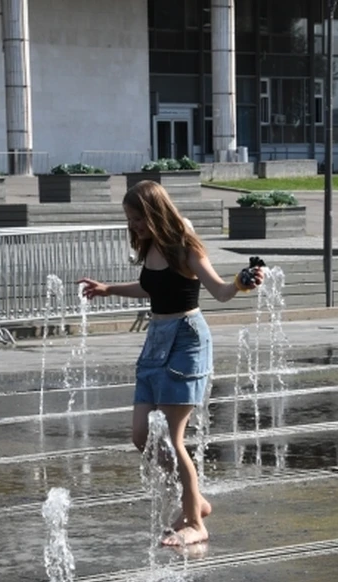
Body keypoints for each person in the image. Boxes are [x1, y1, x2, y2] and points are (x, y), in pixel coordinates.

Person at [78, 180, 264, 546]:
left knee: (173, 440)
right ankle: (196, 501)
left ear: (155, 212)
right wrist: (109, 289)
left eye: (138, 219)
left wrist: (242, 282)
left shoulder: (184, 246)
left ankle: (195, 522)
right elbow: (153, 288)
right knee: (141, 435)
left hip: (186, 341)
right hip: (155, 341)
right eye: (130, 220)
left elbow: (221, 291)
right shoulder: (150, 246)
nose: (133, 226)